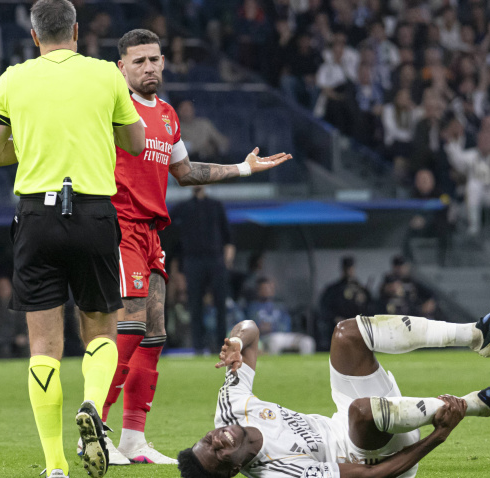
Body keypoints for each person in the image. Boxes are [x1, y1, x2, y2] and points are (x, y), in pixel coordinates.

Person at [99, 29, 290, 467]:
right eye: (138, 61)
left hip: (151, 232)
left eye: (154, 59)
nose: (148, 67)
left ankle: (133, 439)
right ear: (121, 68)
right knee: (129, 328)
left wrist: (243, 168)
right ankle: (94, 430)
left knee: (154, 335)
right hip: (119, 227)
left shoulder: (167, 115)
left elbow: (184, 172)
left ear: (164, 62)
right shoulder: (111, 108)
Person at [0, 1, 146, 477]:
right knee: (101, 330)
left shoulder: (12, 78)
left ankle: (54, 466)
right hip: (93, 213)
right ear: (76, 30)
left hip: (36, 215)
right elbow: (135, 142)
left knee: (44, 346)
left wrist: (33, 143)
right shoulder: (105, 74)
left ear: (34, 36)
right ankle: (92, 404)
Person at [178, 293, 490, 478]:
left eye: (208, 440)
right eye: (218, 454)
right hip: (377, 458)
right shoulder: (278, 472)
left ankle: (476, 334)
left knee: (346, 333)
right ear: (234, 470)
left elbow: (250, 328)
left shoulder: (230, 410)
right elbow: (368, 476)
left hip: (350, 420)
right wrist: (439, 436)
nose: (218, 440)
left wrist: (237, 342)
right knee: (360, 412)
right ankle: (476, 404)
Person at [171, 186, 236, 356]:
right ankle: (198, 347)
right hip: (193, 260)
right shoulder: (183, 207)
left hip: (215, 259)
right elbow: (169, 230)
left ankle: (222, 345)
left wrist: (227, 261)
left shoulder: (216, 205)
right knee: (195, 304)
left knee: (220, 304)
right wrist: (177, 267)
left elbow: (228, 237)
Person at [245, 277, 315, 355]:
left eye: (269, 288)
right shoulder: (252, 308)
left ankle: (304, 363)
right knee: (274, 341)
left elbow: (286, 324)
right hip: (266, 337)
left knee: (307, 341)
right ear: (258, 291)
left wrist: (272, 327)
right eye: (264, 288)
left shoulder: (280, 306)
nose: (267, 290)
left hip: (285, 335)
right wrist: (260, 328)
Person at [318, 256, 371, 349]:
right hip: (338, 327)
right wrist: (335, 318)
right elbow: (324, 308)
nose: (349, 271)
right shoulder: (333, 289)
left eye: (350, 268)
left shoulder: (361, 290)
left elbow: (370, 308)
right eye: (347, 268)